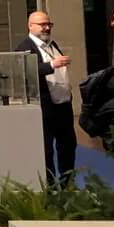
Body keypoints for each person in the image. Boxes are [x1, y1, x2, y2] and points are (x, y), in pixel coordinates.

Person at [17, 10, 77, 183]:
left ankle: (67, 184)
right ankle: (49, 186)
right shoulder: (24, 47)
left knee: (68, 146)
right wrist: (51, 65)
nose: (46, 28)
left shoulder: (52, 44)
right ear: (30, 26)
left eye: (49, 24)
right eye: (42, 24)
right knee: (46, 149)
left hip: (63, 105)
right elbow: (24, 70)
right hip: (44, 108)